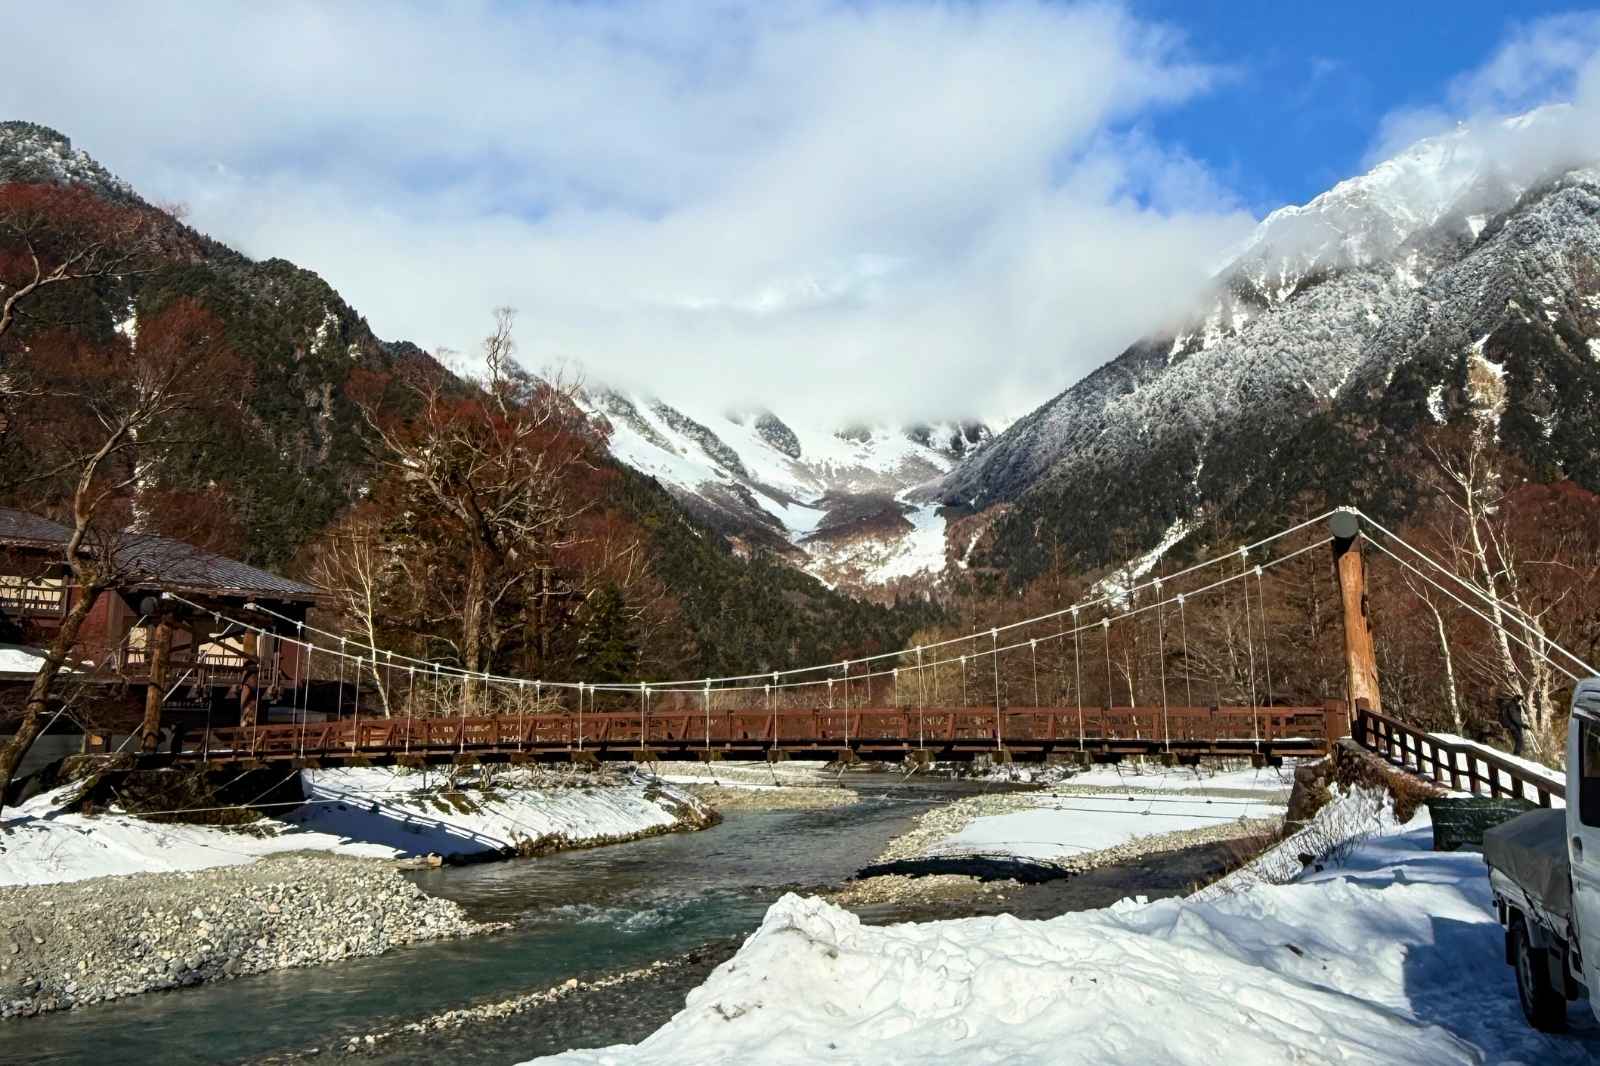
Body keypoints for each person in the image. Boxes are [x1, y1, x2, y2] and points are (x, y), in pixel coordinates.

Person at [1497, 692, 1526, 757]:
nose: (1521, 702)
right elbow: (1514, 717)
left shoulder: (1514, 705)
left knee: (1519, 740)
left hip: (1512, 724)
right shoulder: (1512, 706)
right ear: (1517, 699)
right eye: (1520, 700)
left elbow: (1517, 717)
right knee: (1519, 740)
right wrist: (1522, 725)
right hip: (1511, 725)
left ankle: (1516, 755)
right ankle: (1516, 756)